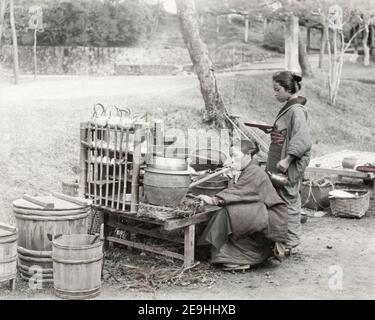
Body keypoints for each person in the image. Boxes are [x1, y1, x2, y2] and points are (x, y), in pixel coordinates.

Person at [197, 139, 288, 271]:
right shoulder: (248, 170)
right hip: (258, 211)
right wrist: (232, 178)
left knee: (226, 213)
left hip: (270, 217)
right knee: (227, 211)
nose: (232, 160)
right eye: (231, 156)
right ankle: (216, 251)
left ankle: (237, 256)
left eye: (236, 156)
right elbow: (241, 193)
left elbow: (240, 192)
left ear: (248, 156)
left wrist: (213, 200)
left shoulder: (255, 172)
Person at [265, 70, 312, 253]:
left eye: (277, 90)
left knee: (290, 200)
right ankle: (282, 239)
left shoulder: (296, 110)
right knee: (282, 199)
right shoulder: (289, 107)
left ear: (287, 89)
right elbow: (286, 132)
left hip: (287, 164)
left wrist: (287, 159)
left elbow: (303, 140)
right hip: (279, 160)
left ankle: (290, 242)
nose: (275, 93)